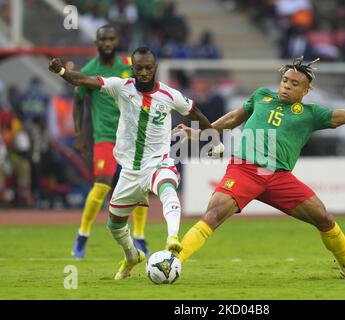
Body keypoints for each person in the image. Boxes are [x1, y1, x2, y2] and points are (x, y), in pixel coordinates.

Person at [175, 57, 345, 280]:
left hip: (279, 177)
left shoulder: (311, 114)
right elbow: (234, 118)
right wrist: (199, 133)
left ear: (305, 91)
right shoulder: (261, 96)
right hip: (244, 170)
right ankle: (173, 262)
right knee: (214, 214)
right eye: (285, 80)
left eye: (294, 84)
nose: (286, 86)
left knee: (324, 219)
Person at [48, 46, 223, 280]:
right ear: (132, 68)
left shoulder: (171, 95)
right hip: (130, 171)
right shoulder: (121, 87)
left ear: (155, 68)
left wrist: (214, 139)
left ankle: (172, 238)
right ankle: (132, 255)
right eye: (138, 67)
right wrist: (61, 71)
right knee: (114, 224)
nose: (143, 72)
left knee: (168, 187)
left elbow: (197, 115)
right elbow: (84, 80)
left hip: (158, 163)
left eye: (148, 67)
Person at [71, 25, 148, 259]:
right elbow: (78, 101)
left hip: (132, 136)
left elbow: (147, 89)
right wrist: (79, 135)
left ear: (117, 41)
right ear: (96, 42)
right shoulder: (89, 69)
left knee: (140, 187)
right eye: (102, 39)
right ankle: (82, 235)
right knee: (102, 184)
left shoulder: (129, 64)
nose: (107, 43)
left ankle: (140, 237)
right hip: (104, 137)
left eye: (111, 39)